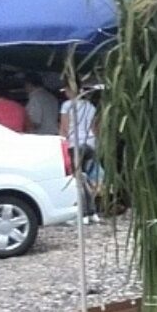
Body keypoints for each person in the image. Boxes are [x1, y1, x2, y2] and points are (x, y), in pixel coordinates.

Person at [60, 84, 100, 220]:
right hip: (90, 143)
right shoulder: (91, 106)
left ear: (70, 90)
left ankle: (84, 212)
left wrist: (61, 141)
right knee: (88, 178)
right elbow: (95, 127)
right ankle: (93, 212)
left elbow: (64, 127)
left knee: (78, 179)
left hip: (74, 144)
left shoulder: (67, 105)